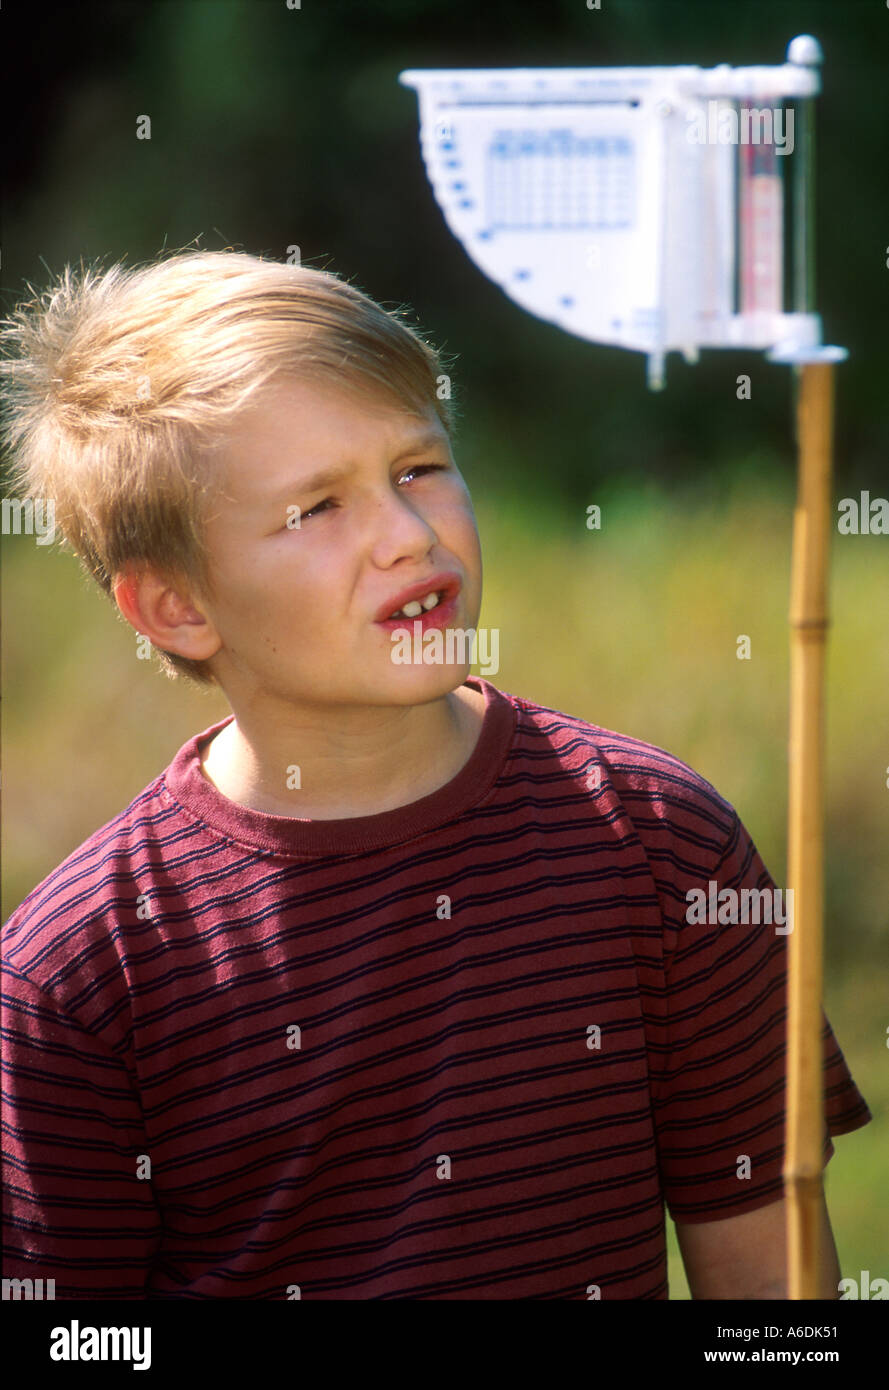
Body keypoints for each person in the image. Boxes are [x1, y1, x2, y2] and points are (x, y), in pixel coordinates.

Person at [0, 250, 871, 1300]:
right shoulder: (81, 973)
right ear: (177, 608)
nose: (409, 536)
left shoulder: (661, 841)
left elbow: (774, 1294)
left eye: (418, 467)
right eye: (316, 508)